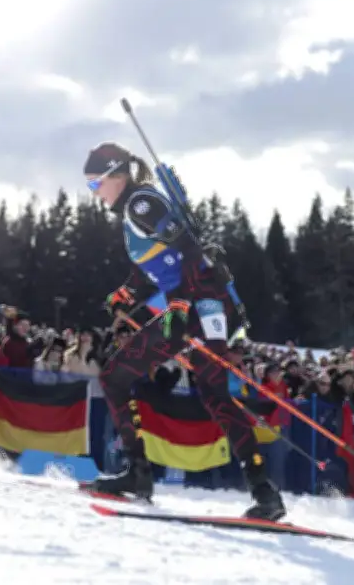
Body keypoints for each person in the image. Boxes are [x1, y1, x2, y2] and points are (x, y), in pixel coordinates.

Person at [81, 142, 286, 521]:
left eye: (96, 184)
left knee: (119, 377)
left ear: (117, 175)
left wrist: (177, 306)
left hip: (199, 303)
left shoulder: (141, 204)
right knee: (208, 394)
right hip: (197, 304)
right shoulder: (136, 208)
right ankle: (261, 491)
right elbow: (157, 265)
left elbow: (189, 251)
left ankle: (141, 474)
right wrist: (127, 293)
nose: (95, 194)